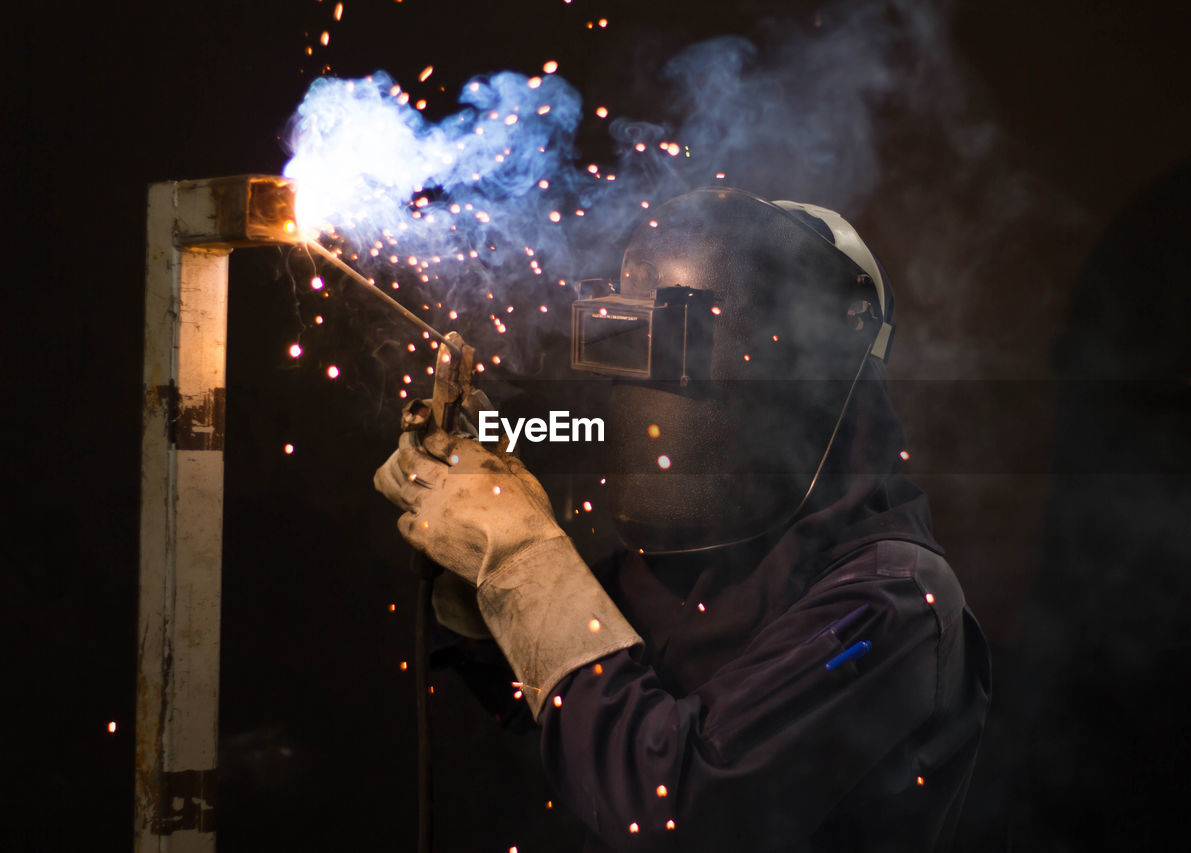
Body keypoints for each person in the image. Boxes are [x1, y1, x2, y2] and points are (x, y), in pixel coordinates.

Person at [375, 187, 991, 852]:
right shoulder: (694, 565)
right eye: (638, 344)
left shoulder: (893, 604)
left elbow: (671, 804)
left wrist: (523, 563)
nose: (652, 387)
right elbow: (581, 697)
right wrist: (484, 598)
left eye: (680, 351)